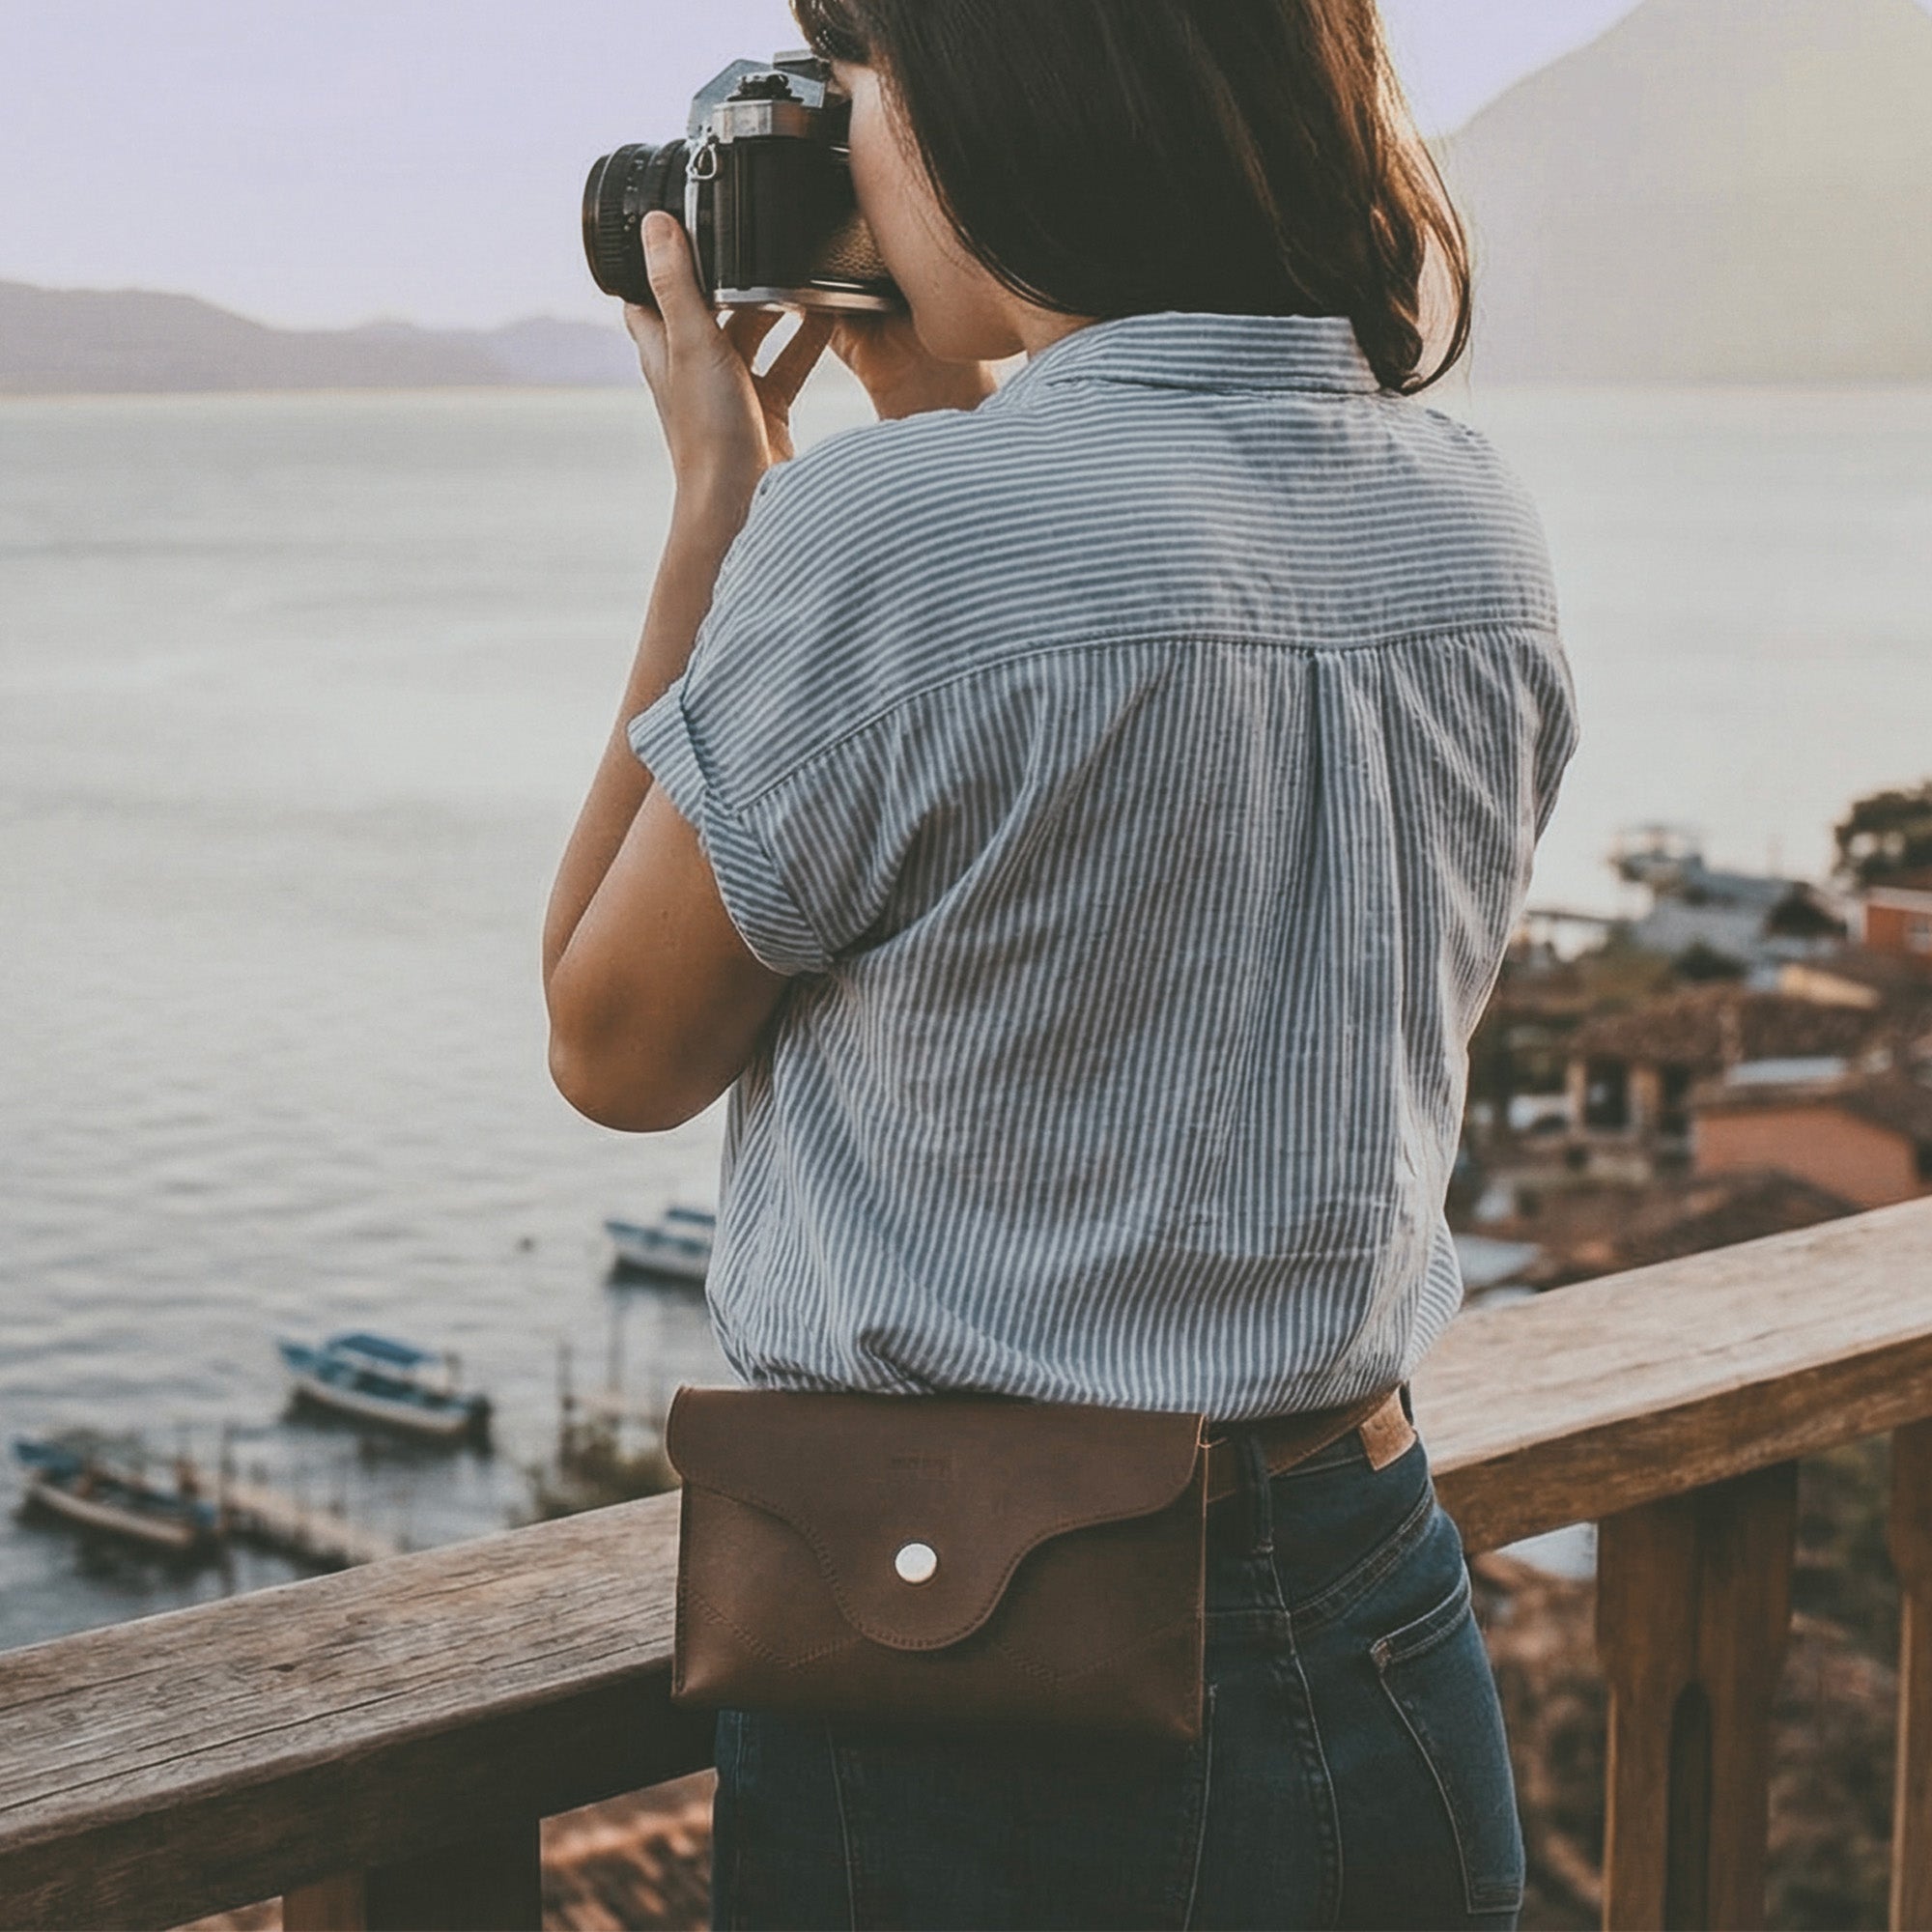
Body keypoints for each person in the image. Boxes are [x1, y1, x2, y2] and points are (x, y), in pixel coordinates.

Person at [543, 0, 1578, 1924]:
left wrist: (722, 499)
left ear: (1001, 96)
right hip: (1377, 1618)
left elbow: (612, 1041)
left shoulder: (885, 542)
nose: (845, 143)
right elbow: (1148, 846)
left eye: (856, 81)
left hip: (974, 1681)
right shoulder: (1467, 512)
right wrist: (929, 433)